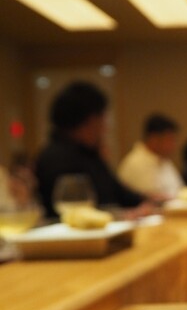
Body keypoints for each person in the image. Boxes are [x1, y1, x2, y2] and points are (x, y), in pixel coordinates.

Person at [35, 81, 148, 218]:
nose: (105, 127)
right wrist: (122, 215)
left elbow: (119, 193)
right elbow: (74, 212)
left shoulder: (89, 153)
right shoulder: (55, 159)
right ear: (86, 121)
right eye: (101, 118)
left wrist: (148, 200)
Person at [118, 113, 185, 200]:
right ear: (154, 139)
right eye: (170, 139)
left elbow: (181, 191)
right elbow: (150, 199)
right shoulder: (135, 163)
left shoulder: (164, 161)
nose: (174, 145)